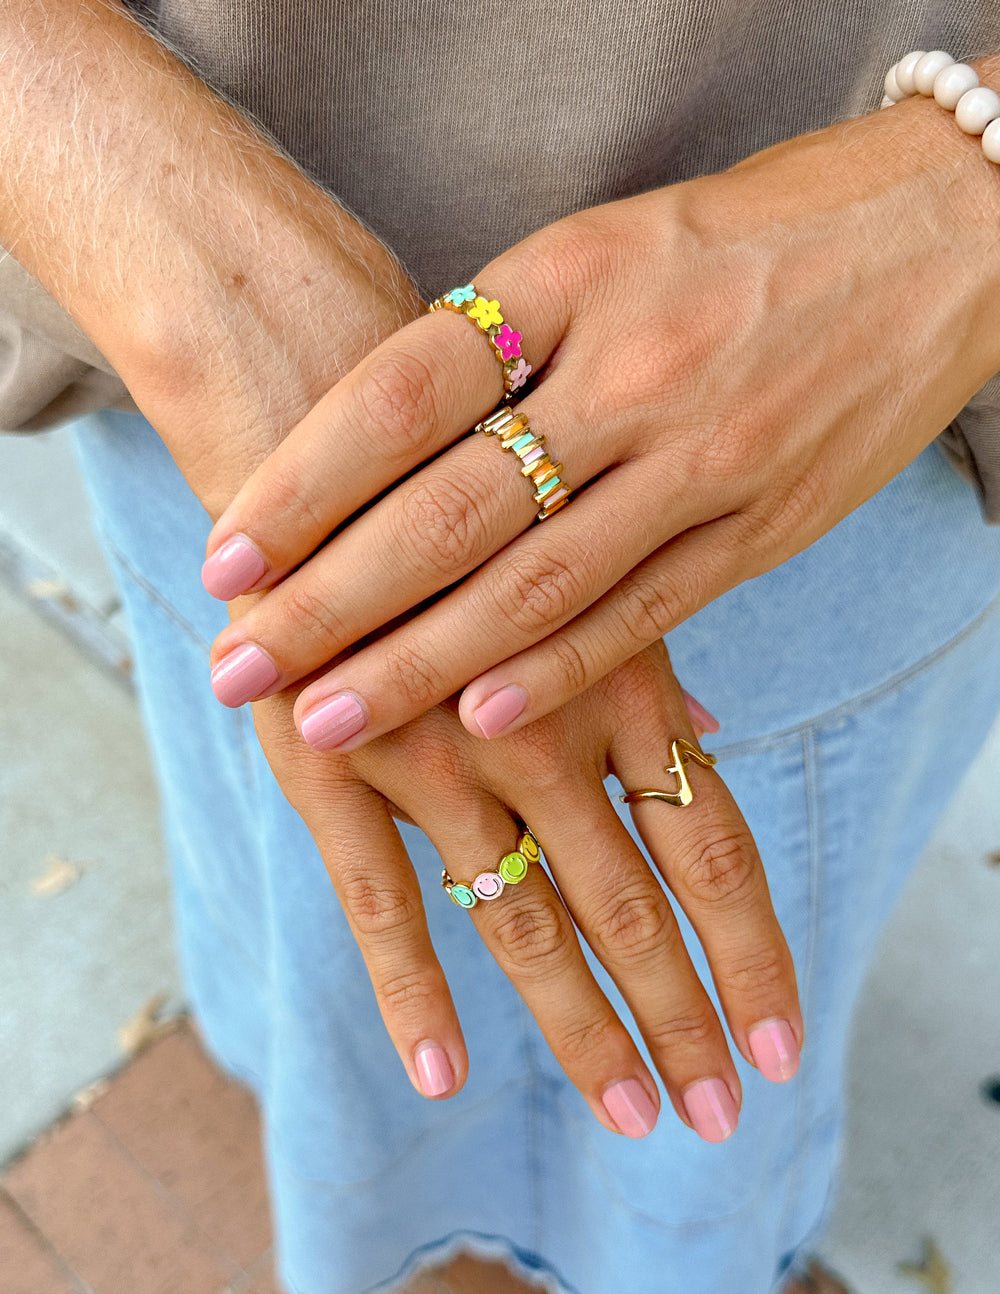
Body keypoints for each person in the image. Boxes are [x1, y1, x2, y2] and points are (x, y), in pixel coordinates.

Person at [2, 2, 1000, 1292]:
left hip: (820, 382)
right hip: (169, 362)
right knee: (332, 938)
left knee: (725, 961)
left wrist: (962, 198)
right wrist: (77, 143)